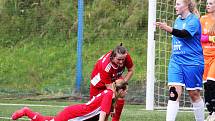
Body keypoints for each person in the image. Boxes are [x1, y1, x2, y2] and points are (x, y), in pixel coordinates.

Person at [156, 0, 205, 121]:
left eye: (178, 4)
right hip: (176, 62)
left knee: (194, 94)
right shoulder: (177, 20)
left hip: (192, 62)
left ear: (186, 6)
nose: (175, 6)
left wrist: (168, 28)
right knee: (173, 93)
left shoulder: (193, 20)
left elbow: (185, 34)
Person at [11, 79, 128, 121]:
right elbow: (102, 117)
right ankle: (27, 112)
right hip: (73, 114)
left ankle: (33, 115)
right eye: (126, 90)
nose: (126, 93)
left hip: (77, 115)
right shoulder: (109, 95)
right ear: (120, 90)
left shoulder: (111, 97)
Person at [89, 43, 134, 121]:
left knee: (121, 92)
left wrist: (123, 83)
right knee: (95, 113)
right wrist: (112, 107)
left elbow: (131, 70)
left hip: (113, 78)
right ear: (113, 57)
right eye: (119, 59)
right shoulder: (106, 67)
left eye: (123, 59)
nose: (121, 62)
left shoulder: (125, 56)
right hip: (98, 84)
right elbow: (110, 91)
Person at [200, 0, 215, 120]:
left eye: (211, 3)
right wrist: (210, 37)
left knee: (211, 81)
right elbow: (198, 36)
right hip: (204, 56)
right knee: (206, 85)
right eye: (207, 3)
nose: (208, 5)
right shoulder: (203, 19)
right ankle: (211, 112)